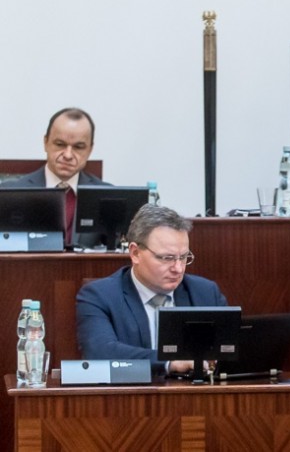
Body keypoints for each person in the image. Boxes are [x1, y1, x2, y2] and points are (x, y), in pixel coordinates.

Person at [76, 204, 228, 375]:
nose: (178, 268)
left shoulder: (205, 293)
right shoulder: (99, 296)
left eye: (184, 257)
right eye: (167, 258)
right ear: (135, 253)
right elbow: (100, 352)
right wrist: (169, 362)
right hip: (131, 391)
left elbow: (230, 350)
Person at [0, 107, 110, 246]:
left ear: (90, 149)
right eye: (60, 144)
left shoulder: (106, 196)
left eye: (78, 147)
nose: (68, 155)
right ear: (45, 142)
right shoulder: (10, 194)